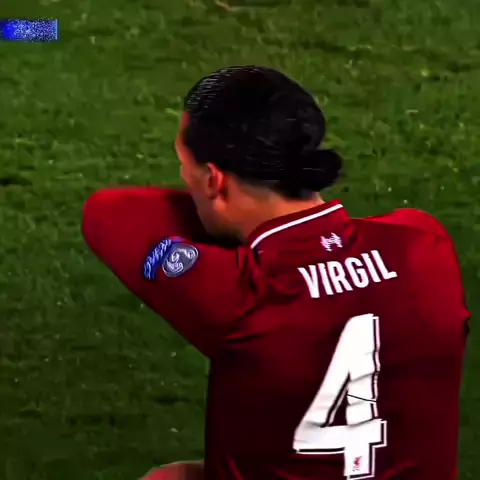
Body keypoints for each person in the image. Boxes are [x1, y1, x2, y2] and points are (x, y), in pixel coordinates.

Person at [82, 66, 470, 480]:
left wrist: (222, 216)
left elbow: (109, 214)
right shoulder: (424, 246)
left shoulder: (239, 294)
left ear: (214, 180)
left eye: (185, 165)